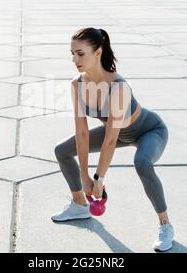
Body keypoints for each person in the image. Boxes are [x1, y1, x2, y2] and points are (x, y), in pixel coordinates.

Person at [51, 27, 174, 252]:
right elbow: (82, 132)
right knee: (62, 151)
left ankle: (165, 225)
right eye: (72, 53)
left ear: (97, 52)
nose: (74, 59)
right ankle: (79, 205)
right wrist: (84, 177)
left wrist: (98, 178)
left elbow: (109, 140)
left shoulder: (118, 86)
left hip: (149, 131)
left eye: (80, 53)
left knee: (143, 163)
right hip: (116, 134)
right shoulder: (77, 85)